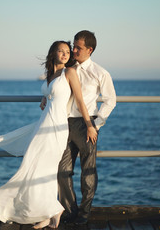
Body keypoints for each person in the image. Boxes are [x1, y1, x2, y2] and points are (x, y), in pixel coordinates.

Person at [0, 40, 98, 229]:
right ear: (53, 53)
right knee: (36, 166)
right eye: (60, 51)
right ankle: (49, 212)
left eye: (67, 52)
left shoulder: (69, 73)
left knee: (42, 167)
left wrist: (89, 125)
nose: (64, 55)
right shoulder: (51, 74)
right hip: (43, 124)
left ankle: (53, 210)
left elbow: (79, 100)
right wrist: (45, 97)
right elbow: (53, 93)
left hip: (56, 128)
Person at [57, 30, 117, 225]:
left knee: (88, 170)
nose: (74, 50)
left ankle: (84, 213)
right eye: (73, 46)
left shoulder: (101, 73)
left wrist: (96, 125)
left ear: (90, 50)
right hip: (64, 123)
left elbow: (110, 101)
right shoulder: (67, 68)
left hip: (87, 125)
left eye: (78, 48)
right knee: (62, 170)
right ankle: (69, 210)